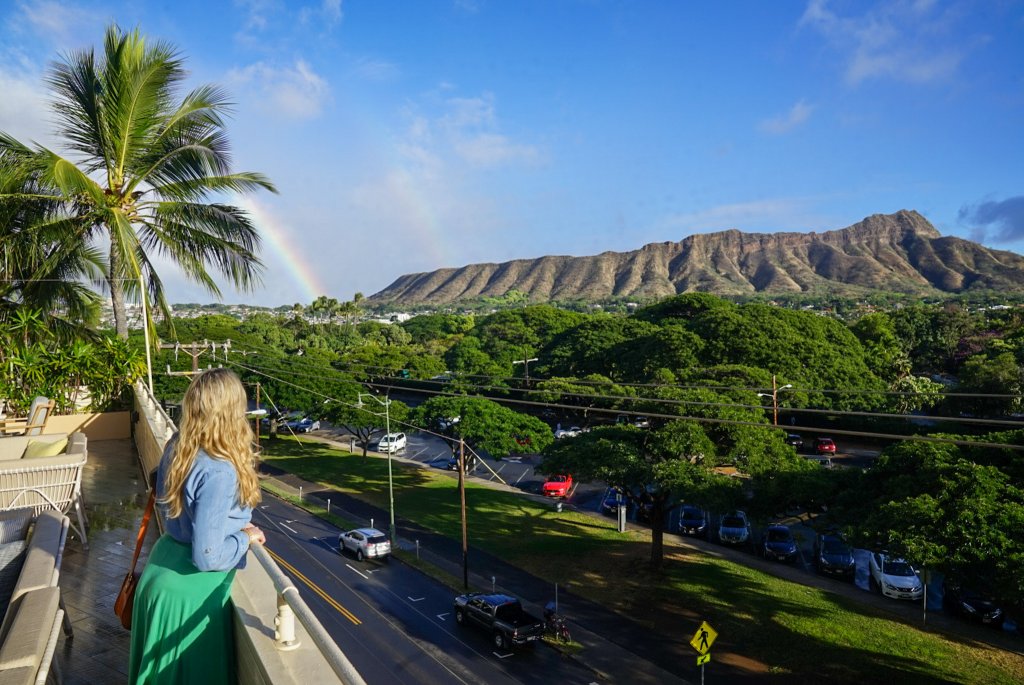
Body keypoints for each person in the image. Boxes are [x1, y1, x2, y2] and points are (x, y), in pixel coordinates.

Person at [129, 368, 265, 684]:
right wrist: (245, 537)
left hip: (162, 568)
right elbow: (208, 556)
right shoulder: (219, 470)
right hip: (189, 592)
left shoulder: (178, 444)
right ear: (234, 411)